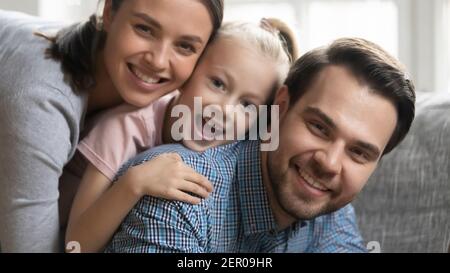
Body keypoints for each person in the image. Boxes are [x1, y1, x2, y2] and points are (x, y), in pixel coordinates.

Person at [104, 37, 416, 253]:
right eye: (319, 127)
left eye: (358, 152)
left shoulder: (330, 208)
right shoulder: (179, 194)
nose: (330, 163)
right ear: (279, 106)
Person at [0, 0, 224, 253]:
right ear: (108, 13)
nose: (159, 61)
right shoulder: (41, 105)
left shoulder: (161, 99)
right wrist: (133, 184)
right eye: (145, 29)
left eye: (185, 46)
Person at [65, 19, 298, 253]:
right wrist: (135, 183)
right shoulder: (121, 129)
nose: (225, 110)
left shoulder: (237, 147)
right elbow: (75, 245)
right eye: (217, 83)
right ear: (189, 72)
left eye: (247, 104)